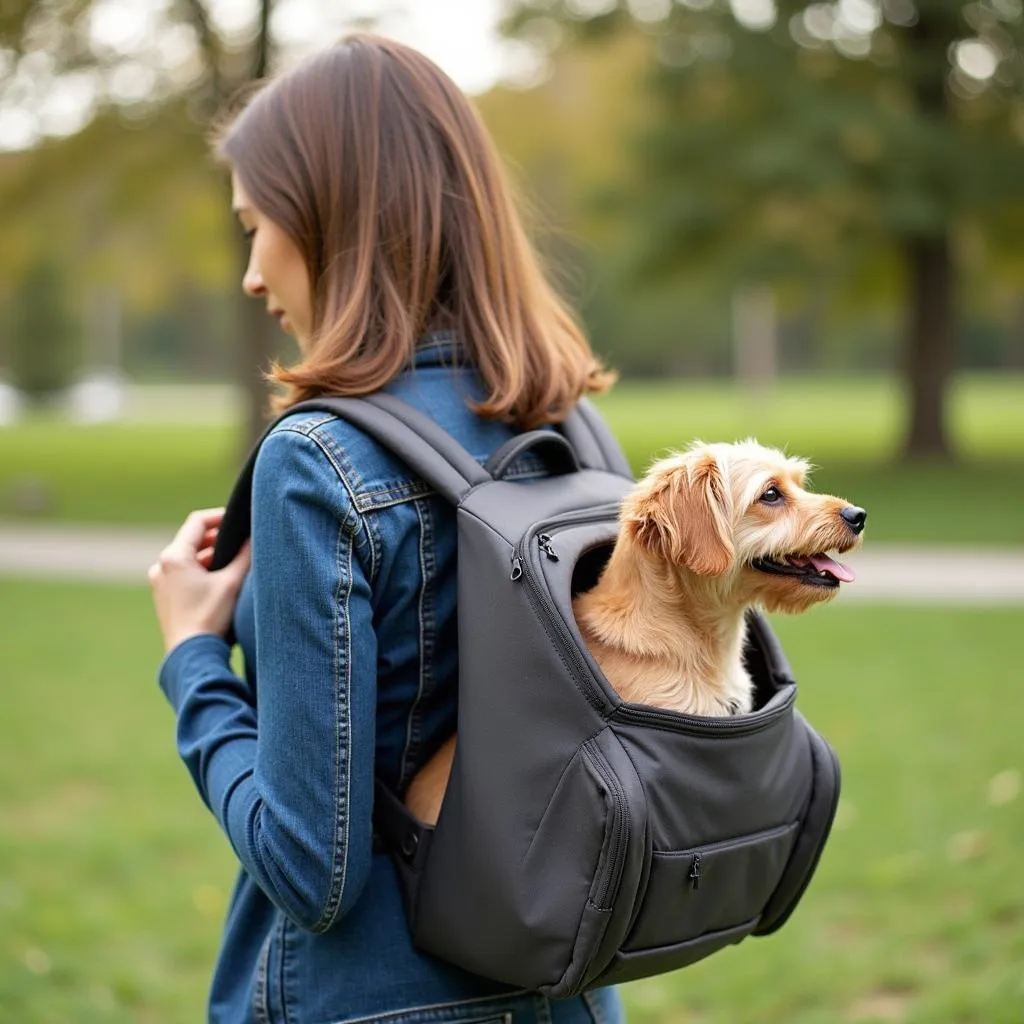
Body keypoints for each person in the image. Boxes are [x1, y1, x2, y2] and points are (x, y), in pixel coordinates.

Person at [147, 32, 623, 1024]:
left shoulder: (317, 460)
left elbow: (310, 869)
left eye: (255, 225)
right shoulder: (572, 427)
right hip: (564, 990)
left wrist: (193, 654)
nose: (249, 274)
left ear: (331, 221)